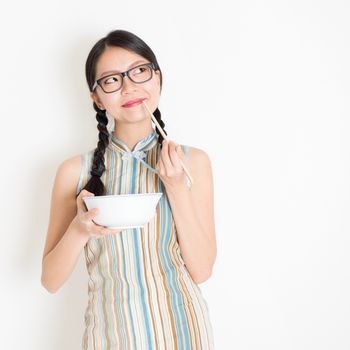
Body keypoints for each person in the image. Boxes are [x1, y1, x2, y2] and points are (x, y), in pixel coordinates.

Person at [41, 29, 217, 349]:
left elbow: (202, 269)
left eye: (139, 71)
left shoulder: (193, 162)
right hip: (110, 336)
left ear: (157, 77)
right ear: (96, 96)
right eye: (112, 80)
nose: (129, 87)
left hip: (185, 331)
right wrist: (80, 230)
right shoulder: (73, 172)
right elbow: (50, 280)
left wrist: (176, 187)